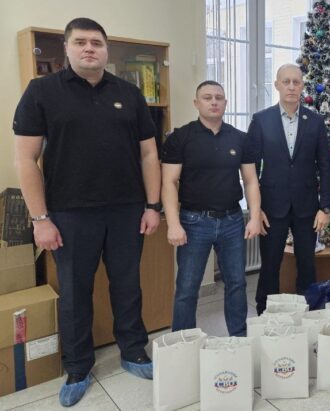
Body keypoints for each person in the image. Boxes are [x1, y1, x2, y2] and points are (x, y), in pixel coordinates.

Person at [13, 18, 160, 407]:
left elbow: (149, 153)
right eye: (80, 42)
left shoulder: (128, 94)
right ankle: (78, 367)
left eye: (97, 42)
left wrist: (152, 205)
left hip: (127, 210)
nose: (89, 48)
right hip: (69, 214)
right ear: (67, 48)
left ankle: (134, 351)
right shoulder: (42, 91)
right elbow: (25, 159)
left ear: (106, 50)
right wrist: (40, 219)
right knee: (75, 293)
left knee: (128, 286)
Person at [161, 81, 261, 336]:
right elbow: (169, 182)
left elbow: (251, 181)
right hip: (194, 222)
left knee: (237, 284)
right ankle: (183, 343)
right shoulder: (181, 138)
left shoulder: (240, 138)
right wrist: (173, 224)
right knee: (187, 288)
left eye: (219, 97)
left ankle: (238, 339)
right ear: (197, 103)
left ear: (226, 103)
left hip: (232, 221)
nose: (214, 102)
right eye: (207, 97)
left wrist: (254, 216)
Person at [248, 63, 330, 315]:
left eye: (296, 82)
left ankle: (308, 313)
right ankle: (266, 313)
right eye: (286, 81)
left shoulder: (315, 121)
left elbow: (325, 166)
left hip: (308, 207)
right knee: (270, 265)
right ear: (277, 85)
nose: (292, 87)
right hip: (271, 207)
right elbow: (250, 169)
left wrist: (325, 207)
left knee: (307, 264)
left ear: (302, 86)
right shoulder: (261, 120)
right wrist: (256, 209)